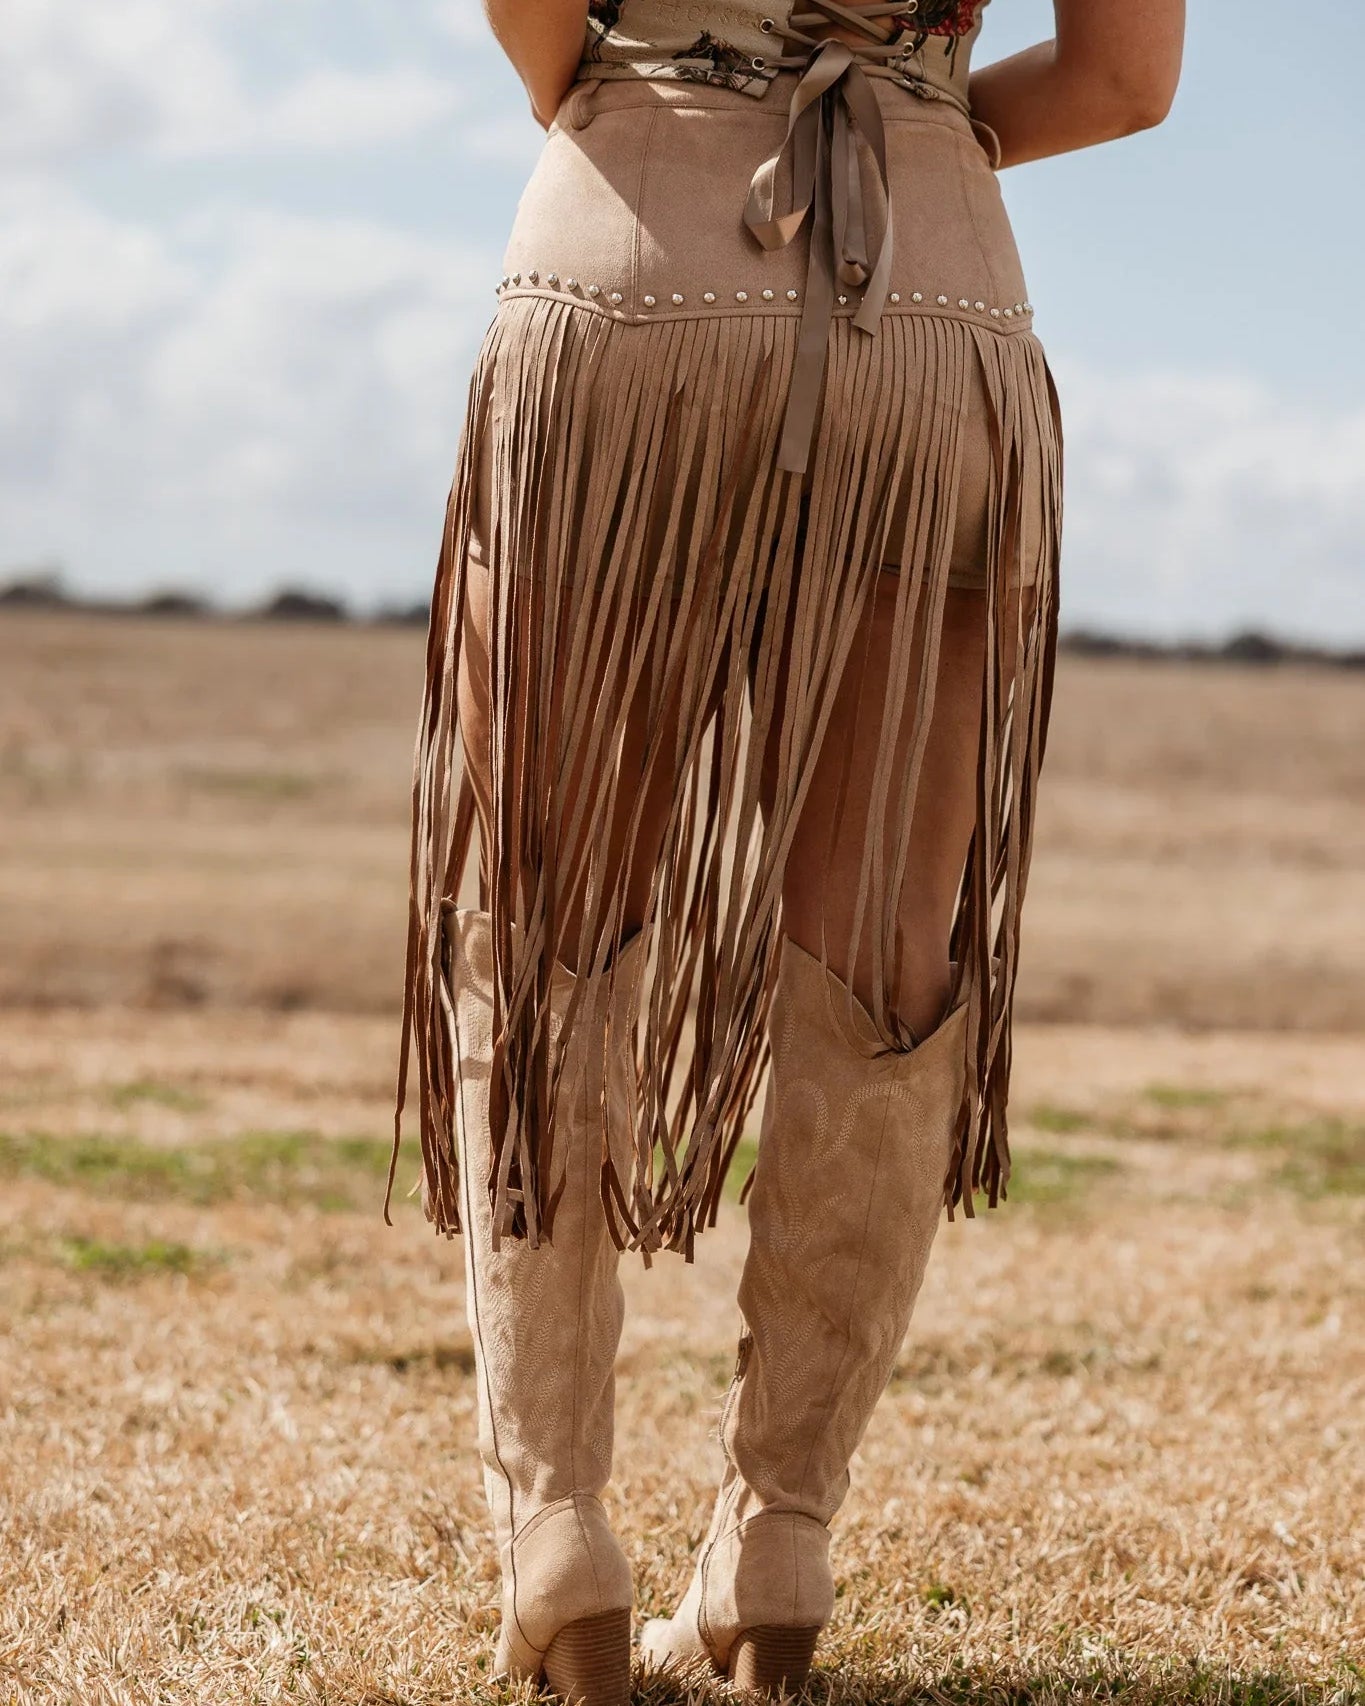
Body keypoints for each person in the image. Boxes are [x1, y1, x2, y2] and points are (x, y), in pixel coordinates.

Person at [391, 1, 1184, 1699]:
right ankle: (779, 1534)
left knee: (542, 918)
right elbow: (1126, 81)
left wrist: (636, 92)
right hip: (935, 291)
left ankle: (560, 1532)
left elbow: (533, 16)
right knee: (886, 955)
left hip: (634, 247)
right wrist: (910, 113)